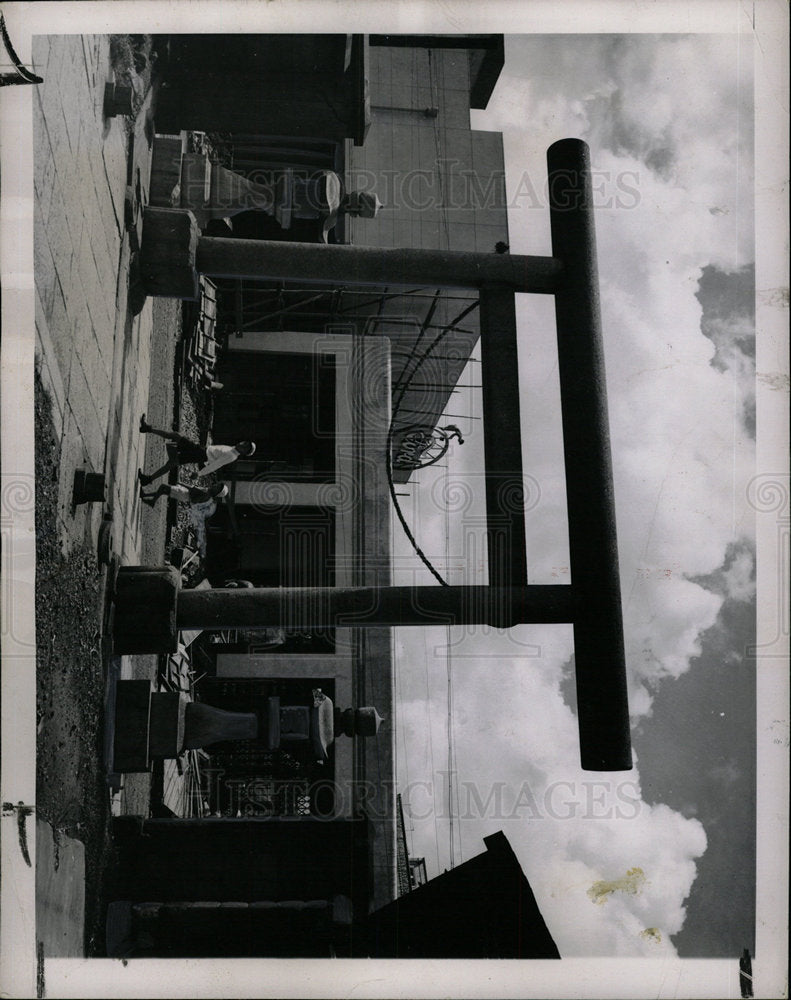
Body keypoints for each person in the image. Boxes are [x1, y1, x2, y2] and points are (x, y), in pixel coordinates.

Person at [137, 414, 255, 484]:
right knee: (173, 453)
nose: (243, 444)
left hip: (201, 454)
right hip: (201, 451)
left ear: (244, 453)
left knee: (175, 439)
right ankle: (148, 479)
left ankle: (148, 429)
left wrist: (199, 474)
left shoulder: (231, 456)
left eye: (246, 447)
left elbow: (215, 465)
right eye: (245, 443)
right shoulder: (232, 449)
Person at [139, 482, 229, 508]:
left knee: (163, 486)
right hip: (185, 496)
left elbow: (192, 488)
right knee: (163, 491)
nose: (216, 485)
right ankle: (145, 495)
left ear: (217, 492)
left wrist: (181, 483)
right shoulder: (208, 495)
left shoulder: (206, 492)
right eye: (218, 485)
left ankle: (152, 501)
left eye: (218, 488)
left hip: (184, 493)